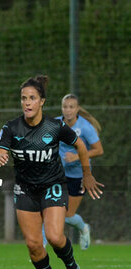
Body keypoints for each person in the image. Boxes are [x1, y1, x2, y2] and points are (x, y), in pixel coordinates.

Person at [0, 75, 104, 269]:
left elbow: (81, 146)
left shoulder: (55, 126)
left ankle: (72, 268)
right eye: (23, 98)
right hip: (25, 189)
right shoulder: (11, 128)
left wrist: (87, 174)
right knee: (34, 245)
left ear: (41, 101)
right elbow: (1, 150)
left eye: (32, 98)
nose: (27, 103)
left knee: (54, 237)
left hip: (52, 185)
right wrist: (0, 156)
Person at [42, 94, 104, 250]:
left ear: (77, 109)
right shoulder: (56, 123)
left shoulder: (85, 127)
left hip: (78, 175)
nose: (68, 110)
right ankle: (41, 248)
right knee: (49, 210)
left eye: (71, 107)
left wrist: (77, 156)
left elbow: (99, 150)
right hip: (58, 174)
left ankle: (83, 228)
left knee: (67, 216)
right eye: (65, 107)